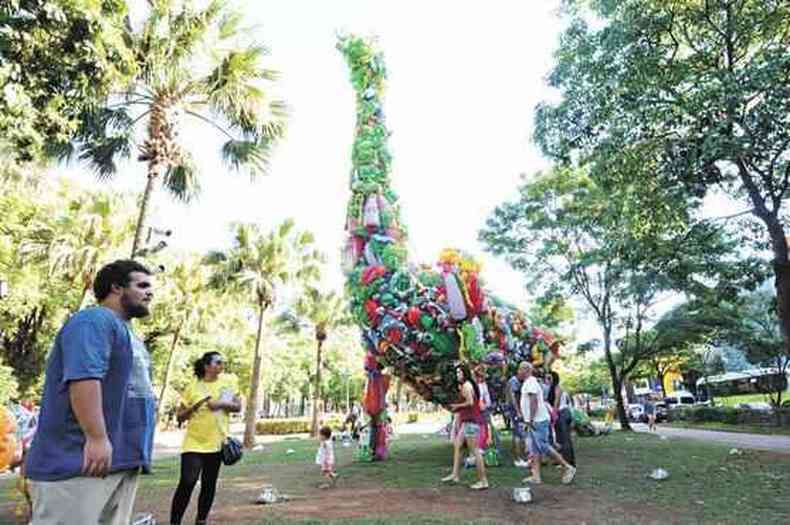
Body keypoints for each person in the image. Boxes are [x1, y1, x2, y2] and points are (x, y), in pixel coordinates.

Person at [25, 260, 156, 525]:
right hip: (77, 464)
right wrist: (96, 437)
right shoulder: (93, 321)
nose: (149, 292)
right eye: (142, 285)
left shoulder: (127, 333)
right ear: (116, 287)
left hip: (119, 462)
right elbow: (84, 378)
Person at [169, 352, 241, 525]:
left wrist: (221, 404)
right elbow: (180, 417)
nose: (221, 365)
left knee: (209, 484)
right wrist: (195, 406)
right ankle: (175, 521)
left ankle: (201, 520)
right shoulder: (192, 387)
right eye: (218, 362)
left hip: (216, 443)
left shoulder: (227, 384)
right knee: (187, 482)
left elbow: (238, 406)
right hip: (193, 443)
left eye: (222, 362)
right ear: (207, 366)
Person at [520, 362, 576, 485]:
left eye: (520, 369)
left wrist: (530, 420)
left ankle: (567, 467)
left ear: (526, 370)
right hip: (535, 420)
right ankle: (536, 476)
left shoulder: (531, 383)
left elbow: (533, 402)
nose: (518, 372)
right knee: (535, 450)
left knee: (543, 446)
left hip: (538, 421)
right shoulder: (529, 382)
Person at [441, 363, 489, 490]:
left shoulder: (467, 386)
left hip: (471, 422)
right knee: (458, 445)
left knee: (475, 452)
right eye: (457, 373)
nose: (458, 375)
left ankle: (483, 480)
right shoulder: (466, 385)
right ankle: (455, 475)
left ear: (465, 373)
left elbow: (470, 402)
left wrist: (456, 406)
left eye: (459, 372)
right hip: (467, 421)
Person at [548, 371, 576, 467]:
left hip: (562, 413)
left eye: (549, 378)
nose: (548, 381)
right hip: (563, 413)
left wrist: (553, 416)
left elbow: (556, 403)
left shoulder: (557, 388)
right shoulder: (556, 388)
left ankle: (567, 462)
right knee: (561, 439)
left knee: (564, 439)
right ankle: (565, 460)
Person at [505, 362, 530, 468]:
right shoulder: (514, 381)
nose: (527, 374)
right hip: (515, 411)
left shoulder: (519, 381)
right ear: (521, 370)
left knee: (519, 434)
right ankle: (518, 459)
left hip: (517, 410)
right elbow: (512, 398)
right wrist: (518, 411)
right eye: (526, 371)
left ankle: (521, 457)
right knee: (518, 434)